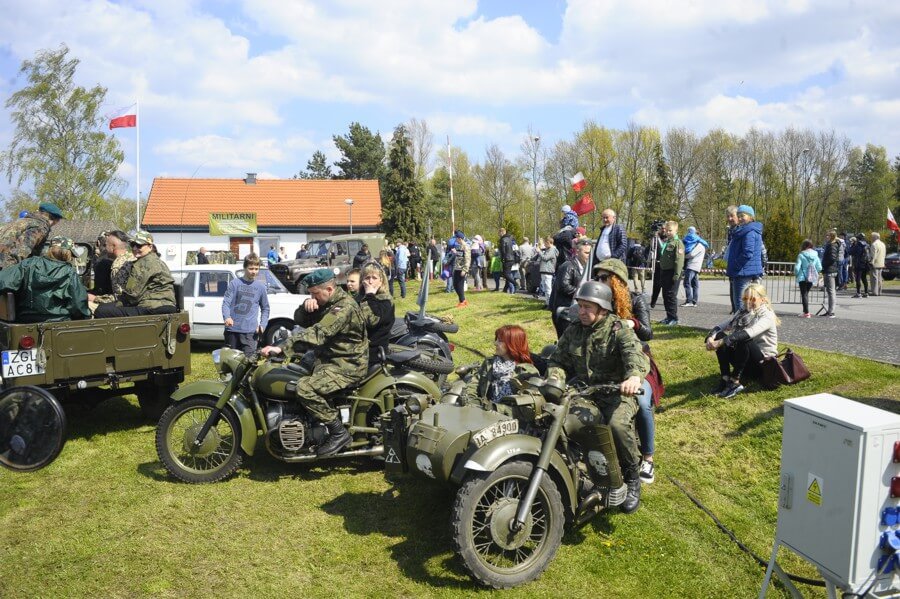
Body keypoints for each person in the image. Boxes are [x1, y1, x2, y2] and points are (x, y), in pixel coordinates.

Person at [547, 281, 649, 514]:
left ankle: (632, 475)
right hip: (585, 392)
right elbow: (557, 360)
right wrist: (555, 377)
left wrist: (633, 378)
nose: (581, 311)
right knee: (561, 420)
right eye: (580, 306)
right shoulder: (574, 330)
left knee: (617, 425)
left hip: (617, 393)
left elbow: (635, 356)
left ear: (603, 309)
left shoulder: (618, 329)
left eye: (588, 307)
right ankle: (575, 468)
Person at [262, 268, 367, 457]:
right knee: (292, 374)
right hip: (328, 359)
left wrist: (282, 348)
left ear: (329, 289)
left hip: (347, 366)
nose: (313, 297)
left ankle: (338, 432)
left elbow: (319, 333)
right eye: (310, 294)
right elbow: (300, 321)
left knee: (304, 388)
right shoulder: (328, 303)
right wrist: (306, 307)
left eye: (315, 293)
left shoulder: (344, 308)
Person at [594, 258, 655, 483]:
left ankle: (648, 458)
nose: (599, 281)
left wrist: (632, 323)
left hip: (637, 362)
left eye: (603, 277)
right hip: (607, 362)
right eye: (597, 277)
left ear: (617, 280)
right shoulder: (598, 301)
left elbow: (648, 333)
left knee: (643, 403)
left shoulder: (636, 299)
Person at [705, 283, 779, 399]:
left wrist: (720, 342)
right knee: (719, 336)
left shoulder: (767, 315)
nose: (748, 302)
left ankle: (735, 382)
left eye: (752, 299)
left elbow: (750, 332)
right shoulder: (742, 311)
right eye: (745, 298)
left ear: (763, 299)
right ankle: (725, 379)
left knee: (743, 338)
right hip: (745, 360)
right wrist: (710, 337)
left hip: (763, 366)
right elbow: (722, 325)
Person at [0, 236, 89, 323]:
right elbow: (78, 305)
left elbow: (3, 281)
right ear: (67, 254)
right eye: (72, 255)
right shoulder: (69, 272)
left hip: (25, 320)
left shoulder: (29, 264)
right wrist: (86, 316)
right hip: (59, 322)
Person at [94, 231, 177, 318]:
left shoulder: (143, 264)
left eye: (139, 245)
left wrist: (112, 303)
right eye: (133, 245)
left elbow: (132, 295)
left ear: (150, 247)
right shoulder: (158, 261)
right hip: (167, 305)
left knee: (101, 311)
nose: (134, 248)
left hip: (152, 307)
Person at [466, 325, 539, 405]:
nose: (495, 343)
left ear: (512, 344)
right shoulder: (490, 363)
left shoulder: (528, 372)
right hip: (484, 409)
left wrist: (495, 408)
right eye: (496, 339)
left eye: (500, 341)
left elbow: (528, 406)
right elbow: (475, 383)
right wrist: (471, 401)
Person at [222, 253, 270, 355]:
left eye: (256, 269)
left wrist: (263, 325)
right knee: (231, 361)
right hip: (232, 330)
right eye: (251, 268)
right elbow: (226, 303)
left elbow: (265, 308)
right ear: (244, 268)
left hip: (250, 333)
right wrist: (227, 317)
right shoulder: (234, 283)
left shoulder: (261, 287)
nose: (254, 272)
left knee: (249, 361)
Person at [0, 202, 64, 269]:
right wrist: (9, 271)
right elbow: (22, 250)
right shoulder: (40, 227)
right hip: (5, 266)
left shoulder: (20, 222)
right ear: (55, 219)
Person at [549, 239, 591, 339]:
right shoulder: (568, 266)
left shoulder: (585, 267)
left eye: (590, 253)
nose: (589, 256)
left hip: (573, 309)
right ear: (577, 251)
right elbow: (564, 287)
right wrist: (583, 293)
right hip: (564, 311)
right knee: (566, 340)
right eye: (586, 253)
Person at [355, 262, 395, 366]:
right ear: (362, 280)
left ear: (381, 281)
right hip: (355, 349)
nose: (370, 281)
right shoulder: (358, 298)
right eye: (367, 277)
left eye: (374, 278)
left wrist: (370, 295)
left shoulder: (386, 301)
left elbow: (372, 320)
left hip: (372, 353)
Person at [726, 205, 763, 311]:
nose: (740, 218)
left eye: (743, 216)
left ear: (751, 217)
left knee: (741, 304)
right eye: (739, 216)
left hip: (743, 272)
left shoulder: (749, 231)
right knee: (743, 304)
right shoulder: (745, 230)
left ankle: (741, 321)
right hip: (744, 270)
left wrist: (736, 265)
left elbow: (747, 253)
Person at [88, 230, 136, 312]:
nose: (105, 248)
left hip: (126, 306)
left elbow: (120, 298)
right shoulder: (131, 257)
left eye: (106, 245)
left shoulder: (118, 266)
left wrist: (95, 298)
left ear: (113, 246)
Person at [657, 221, 684, 325]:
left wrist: (676, 274)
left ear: (676, 231)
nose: (668, 232)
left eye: (670, 231)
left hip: (672, 272)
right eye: (667, 230)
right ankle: (668, 316)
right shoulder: (667, 242)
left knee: (671, 295)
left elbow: (679, 260)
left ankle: (674, 318)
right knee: (665, 295)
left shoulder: (678, 243)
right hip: (665, 272)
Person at [794, 239, 822, 318]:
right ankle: (805, 311)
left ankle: (806, 313)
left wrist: (796, 274)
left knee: (804, 294)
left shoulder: (801, 255)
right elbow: (819, 267)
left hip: (802, 277)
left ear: (804, 245)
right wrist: (815, 272)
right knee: (806, 294)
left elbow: (797, 267)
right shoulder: (816, 255)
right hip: (811, 277)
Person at [681, 226, 708, 307]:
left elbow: (691, 254)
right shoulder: (701, 244)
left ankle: (689, 301)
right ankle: (694, 301)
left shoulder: (699, 245)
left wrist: (683, 256)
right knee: (695, 284)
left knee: (686, 283)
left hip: (692, 266)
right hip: (696, 266)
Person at [723, 205, 740, 313]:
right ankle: (734, 309)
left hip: (740, 264)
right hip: (732, 263)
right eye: (728, 216)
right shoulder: (730, 230)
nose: (729, 219)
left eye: (732, 216)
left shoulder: (742, 229)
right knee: (732, 287)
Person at [820, 230, 839, 318]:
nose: (826, 237)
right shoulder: (830, 245)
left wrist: (824, 265)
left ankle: (831, 311)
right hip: (830, 269)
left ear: (831, 236)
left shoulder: (832, 245)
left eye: (827, 235)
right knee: (830, 291)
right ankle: (830, 310)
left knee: (831, 291)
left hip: (830, 270)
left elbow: (832, 258)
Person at [452, 230, 471, 308]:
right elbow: (460, 256)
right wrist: (455, 253)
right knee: (455, 285)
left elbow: (467, 259)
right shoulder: (459, 246)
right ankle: (463, 300)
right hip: (457, 268)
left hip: (461, 269)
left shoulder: (466, 247)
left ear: (459, 238)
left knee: (459, 285)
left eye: (456, 238)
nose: (455, 239)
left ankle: (462, 301)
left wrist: (465, 270)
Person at [849, 233, 871, 298]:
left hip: (859, 263)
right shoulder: (867, 245)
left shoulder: (858, 245)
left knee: (858, 278)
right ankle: (866, 292)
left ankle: (858, 293)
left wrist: (852, 245)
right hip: (866, 263)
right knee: (864, 278)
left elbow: (850, 252)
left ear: (858, 239)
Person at [538, 236, 558, 301]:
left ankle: (550, 303)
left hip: (548, 271)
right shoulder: (548, 249)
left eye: (545, 243)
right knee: (545, 288)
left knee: (548, 288)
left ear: (548, 242)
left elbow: (545, 258)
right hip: (545, 271)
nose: (544, 245)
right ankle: (547, 302)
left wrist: (539, 252)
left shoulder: (552, 250)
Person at [498, 228, 517, 294]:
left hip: (507, 259)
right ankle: (505, 289)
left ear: (501, 232)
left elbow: (503, 250)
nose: (498, 234)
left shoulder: (503, 239)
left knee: (506, 274)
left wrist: (502, 259)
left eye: (499, 233)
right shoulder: (510, 239)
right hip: (511, 259)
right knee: (508, 274)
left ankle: (516, 284)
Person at [871, 232, 886, 296]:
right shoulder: (883, 244)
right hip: (881, 262)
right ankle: (879, 291)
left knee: (874, 278)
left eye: (872, 237)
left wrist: (872, 262)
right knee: (880, 278)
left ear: (875, 237)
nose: (871, 238)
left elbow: (873, 255)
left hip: (875, 263)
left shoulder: (874, 244)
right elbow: (884, 254)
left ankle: (875, 292)